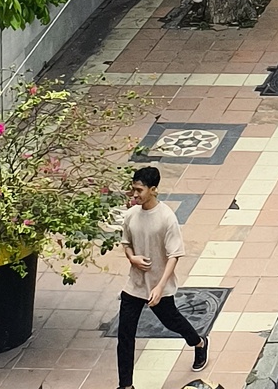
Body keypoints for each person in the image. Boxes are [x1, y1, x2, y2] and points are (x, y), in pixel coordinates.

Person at [117, 166, 208, 389]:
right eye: (133, 190)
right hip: (134, 286)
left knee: (171, 321)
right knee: (125, 337)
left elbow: (174, 255)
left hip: (159, 285)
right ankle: (126, 386)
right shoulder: (131, 215)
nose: (135, 195)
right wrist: (132, 259)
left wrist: (159, 287)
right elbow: (126, 243)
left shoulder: (167, 218)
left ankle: (198, 342)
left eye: (139, 190)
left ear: (154, 190)